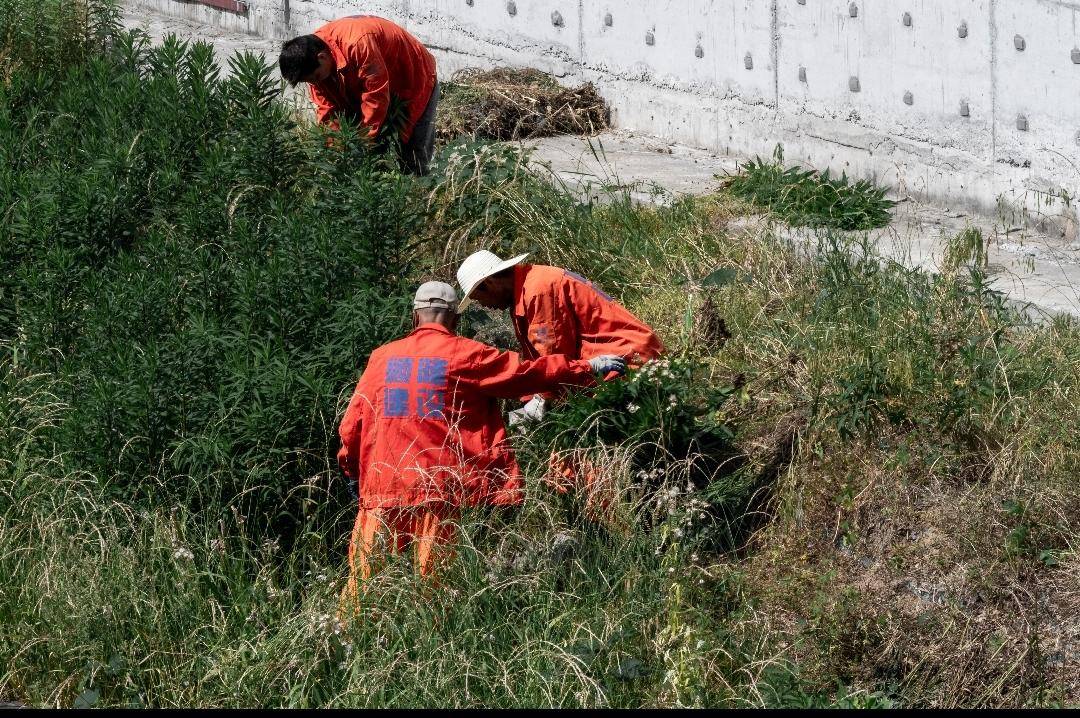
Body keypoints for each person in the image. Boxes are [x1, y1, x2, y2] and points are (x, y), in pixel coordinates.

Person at [336, 281, 626, 599]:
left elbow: (352, 425)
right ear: (455, 319)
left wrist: (352, 471)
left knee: (363, 593)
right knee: (436, 592)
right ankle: (432, 648)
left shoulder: (381, 359)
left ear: (414, 317)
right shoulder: (466, 354)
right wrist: (586, 366)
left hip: (383, 488)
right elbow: (528, 374)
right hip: (440, 491)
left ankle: (348, 646)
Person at [278, 16, 439, 175]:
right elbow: (327, 111)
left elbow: (376, 97)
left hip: (414, 80)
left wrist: (360, 145)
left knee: (413, 155)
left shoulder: (357, 44)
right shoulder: (314, 60)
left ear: (322, 57)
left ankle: (420, 195)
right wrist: (335, 151)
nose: (316, 83)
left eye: (317, 77)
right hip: (378, 88)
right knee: (375, 153)